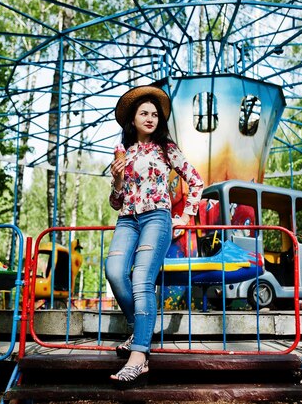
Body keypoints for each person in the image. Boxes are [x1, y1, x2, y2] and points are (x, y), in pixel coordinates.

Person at [106, 85, 204, 387]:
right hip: (127, 220)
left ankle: (139, 356)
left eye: (154, 114)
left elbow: (196, 180)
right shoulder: (125, 152)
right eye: (143, 113)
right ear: (132, 120)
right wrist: (118, 179)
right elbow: (116, 202)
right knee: (114, 272)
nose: (150, 118)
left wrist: (186, 215)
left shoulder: (166, 148)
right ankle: (141, 328)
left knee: (142, 279)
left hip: (156, 218)